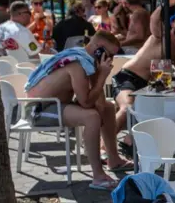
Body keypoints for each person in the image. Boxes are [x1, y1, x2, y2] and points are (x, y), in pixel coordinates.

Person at [25, 31, 131, 191]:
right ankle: (98, 176)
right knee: (92, 117)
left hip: (57, 104)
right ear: (98, 49)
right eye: (109, 55)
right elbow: (87, 102)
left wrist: (98, 75)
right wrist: (102, 76)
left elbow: (101, 102)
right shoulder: (77, 64)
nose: (111, 60)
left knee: (108, 107)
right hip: (38, 110)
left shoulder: (87, 60)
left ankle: (114, 159)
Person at [112, 0, 175, 147]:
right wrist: (165, 5)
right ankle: (105, 147)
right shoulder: (162, 34)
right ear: (172, 22)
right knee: (127, 108)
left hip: (147, 86)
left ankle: (133, 143)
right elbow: (154, 20)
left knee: (163, 109)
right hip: (127, 77)